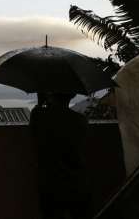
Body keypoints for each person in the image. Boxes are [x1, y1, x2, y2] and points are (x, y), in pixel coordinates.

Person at [30, 91, 91, 219]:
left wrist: (41, 102)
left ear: (50, 95)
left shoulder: (39, 116)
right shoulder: (80, 120)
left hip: (49, 183)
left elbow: (34, 133)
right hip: (76, 183)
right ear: (72, 95)